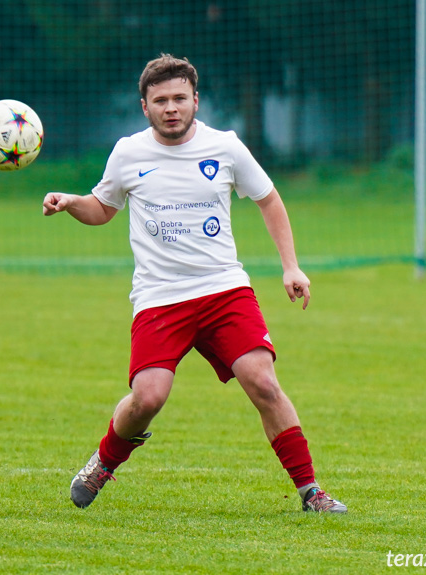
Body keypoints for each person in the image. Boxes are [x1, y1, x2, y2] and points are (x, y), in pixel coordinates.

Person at [43, 54, 347, 513]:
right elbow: (101, 209)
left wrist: (291, 266)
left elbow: (269, 199)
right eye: (160, 100)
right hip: (159, 299)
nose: (171, 108)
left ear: (195, 101)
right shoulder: (128, 152)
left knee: (263, 383)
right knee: (148, 398)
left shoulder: (225, 146)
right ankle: (103, 461)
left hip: (224, 290)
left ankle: (311, 492)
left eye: (180, 99)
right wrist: (70, 202)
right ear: (144, 106)